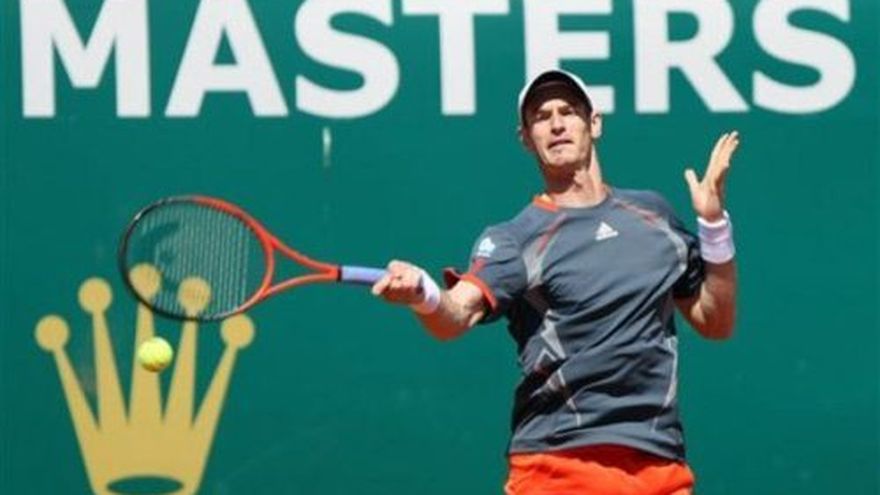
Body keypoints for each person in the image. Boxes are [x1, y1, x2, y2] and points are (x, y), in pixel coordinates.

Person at [371, 69, 738, 495]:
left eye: (568, 111)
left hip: (660, 465)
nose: (557, 124)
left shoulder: (654, 215)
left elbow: (715, 322)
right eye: (541, 117)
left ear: (594, 123)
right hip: (558, 466)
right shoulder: (515, 239)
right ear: (526, 139)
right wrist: (423, 293)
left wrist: (714, 226)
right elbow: (456, 314)